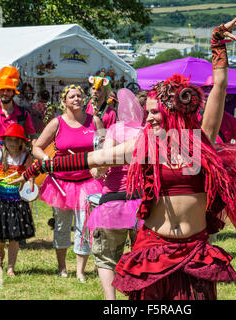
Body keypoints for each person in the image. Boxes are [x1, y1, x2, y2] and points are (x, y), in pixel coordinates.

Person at [13, 12, 236, 300]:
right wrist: (44, 164)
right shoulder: (144, 146)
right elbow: (93, 159)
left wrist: (217, 46)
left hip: (195, 252)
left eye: (154, 112)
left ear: (171, 110)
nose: (148, 117)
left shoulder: (198, 142)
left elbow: (219, 86)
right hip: (154, 249)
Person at [32, 84, 104, 281]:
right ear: (64, 102)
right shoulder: (57, 123)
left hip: (87, 182)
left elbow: (105, 147)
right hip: (61, 184)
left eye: (79, 96)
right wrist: (47, 161)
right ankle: (62, 268)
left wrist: (100, 165)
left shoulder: (94, 121)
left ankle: (80, 271)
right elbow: (37, 147)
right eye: (72, 96)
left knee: (85, 226)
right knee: (62, 226)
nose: (77, 99)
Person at [86, 88, 144, 300]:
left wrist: (94, 170)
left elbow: (102, 165)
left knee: (106, 258)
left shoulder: (115, 130)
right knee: (143, 255)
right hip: (142, 202)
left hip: (114, 200)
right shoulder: (147, 131)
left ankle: (112, 302)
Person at [0, 123, 35, 276]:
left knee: (14, 237)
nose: (13, 143)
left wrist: (27, 182)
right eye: (10, 140)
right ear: (4, 141)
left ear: (22, 142)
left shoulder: (26, 157)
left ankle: (10, 267)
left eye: (16, 140)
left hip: (18, 202)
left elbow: (32, 175)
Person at [0, 67, 37, 150]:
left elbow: (33, 135)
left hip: (18, 156)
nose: (5, 93)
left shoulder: (23, 114)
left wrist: (35, 146)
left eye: (8, 90)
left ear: (13, 93)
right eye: (2, 90)